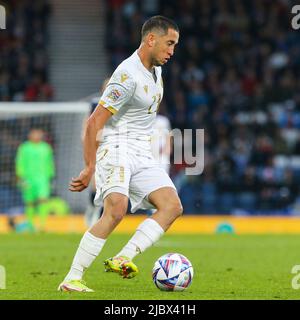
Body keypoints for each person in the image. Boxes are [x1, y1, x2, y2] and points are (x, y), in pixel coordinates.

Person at [58, 15, 181, 292]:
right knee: (116, 209)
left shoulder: (156, 70)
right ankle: (72, 278)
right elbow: (93, 122)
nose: (172, 51)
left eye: (175, 45)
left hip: (142, 150)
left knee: (172, 206)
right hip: (116, 147)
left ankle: (124, 257)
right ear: (151, 39)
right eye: (169, 43)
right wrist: (89, 167)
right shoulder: (127, 76)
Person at [15, 128, 55, 231]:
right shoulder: (24, 147)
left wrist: (51, 176)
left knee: (43, 200)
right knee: (30, 202)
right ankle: (30, 225)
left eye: (38, 133)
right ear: (29, 135)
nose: (36, 135)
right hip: (28, 178)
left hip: (43, 178)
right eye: (34, 133)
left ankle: (42, 225)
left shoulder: (46, 148)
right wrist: (20, 176)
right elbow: (20, 162)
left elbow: (50, 163)